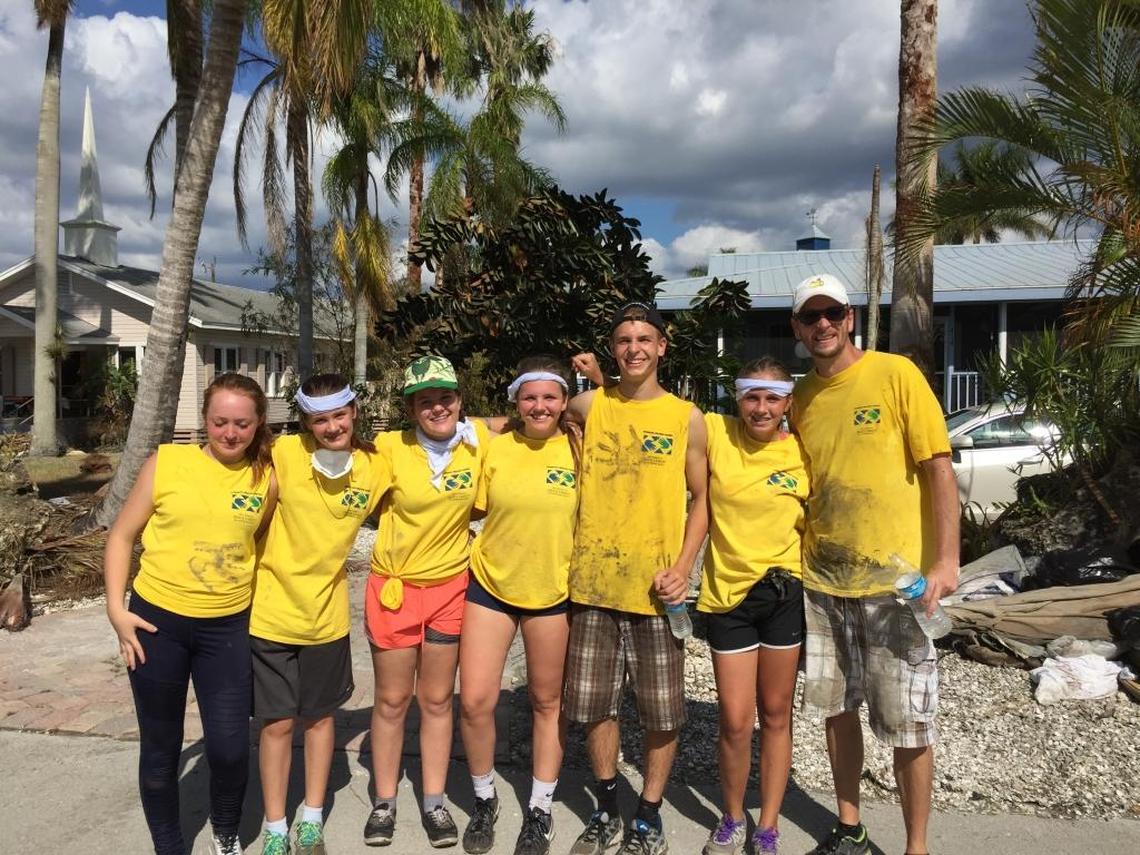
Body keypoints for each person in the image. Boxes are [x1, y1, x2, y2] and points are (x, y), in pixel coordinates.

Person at [789, 274, 959, 855]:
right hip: (822, 581)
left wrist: (946, 562)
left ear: (851, 317)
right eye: (810, 318)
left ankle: (917, 847)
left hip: (897, 584)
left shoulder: (895, 374)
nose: (822, 326)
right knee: (836, 710)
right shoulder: (800, 398)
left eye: (832, 313)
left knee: (907, 723)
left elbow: (938, 466)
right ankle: (849, 826)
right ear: (797, 328)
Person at [103, 373, 278, 855]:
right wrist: (117, 612)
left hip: (227, 628)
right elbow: (121, 536)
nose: (230, 433)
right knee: (161, 748)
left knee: (228, 747)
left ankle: (225, 833)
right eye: (220, 421)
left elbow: (259, 542)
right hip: (157, 625)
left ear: (259, 422)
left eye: (242, 423)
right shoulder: (167, 463)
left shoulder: (267, 475)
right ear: (204, 420)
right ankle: (169, 845)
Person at [565, 302, 709, 855]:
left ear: (662, 346)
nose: (634, 348)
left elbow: (703, 501)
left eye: (644, 338)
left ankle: (648, 813)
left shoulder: (685, 417)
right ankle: (606, 806)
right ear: (613, 349)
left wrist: (683, 568)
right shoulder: (587, 404)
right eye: (623, 340)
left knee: (662, 710)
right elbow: (531, 414)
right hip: (593, 586)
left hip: (657, 592)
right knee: (596, 706)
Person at [251, 374, 392, 855]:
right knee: (274, 723)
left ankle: (311, 818)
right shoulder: (284, 454)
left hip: (326, 618)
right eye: (320, 418)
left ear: (354, 411)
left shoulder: (377, 463)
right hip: (269, 611)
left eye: (339, 415)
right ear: (306, 421)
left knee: (317, 719)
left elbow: (449, 433)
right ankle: (274, 825)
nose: (332, 427)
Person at [363, 355, 494, 849]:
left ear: (460, 400)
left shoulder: (476, 447)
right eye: (425, 401)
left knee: (437, 700)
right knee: (393, 701)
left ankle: (435, 802)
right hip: (395, 590)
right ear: (411, 408)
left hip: (449, 592)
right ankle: (384, 801)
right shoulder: (388, 448)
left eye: (446, 398)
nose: (437, 407)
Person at [458, 356, 581, 855]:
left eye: (550, 396)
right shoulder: (496, 447)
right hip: (490, 586)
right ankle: (485, 798)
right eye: (529, 396)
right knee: (475, 701)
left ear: (565, 402)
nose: (539, 405)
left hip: (553, 592)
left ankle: (540, 808)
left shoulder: (580, 447)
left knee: (547, 703)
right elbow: (471, 503)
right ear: (515, 401)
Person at [697, 357, 809, 855]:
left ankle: (768, 824)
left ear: (788, 402)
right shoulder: (717, 432)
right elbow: (633, 410)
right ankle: (732, 815)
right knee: (736, 721)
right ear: (736, 398)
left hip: (784, 595)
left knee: (776, 714)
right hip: (727, 598)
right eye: (751, 397)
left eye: (772, 398)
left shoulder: (803, 452)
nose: (761, 408)